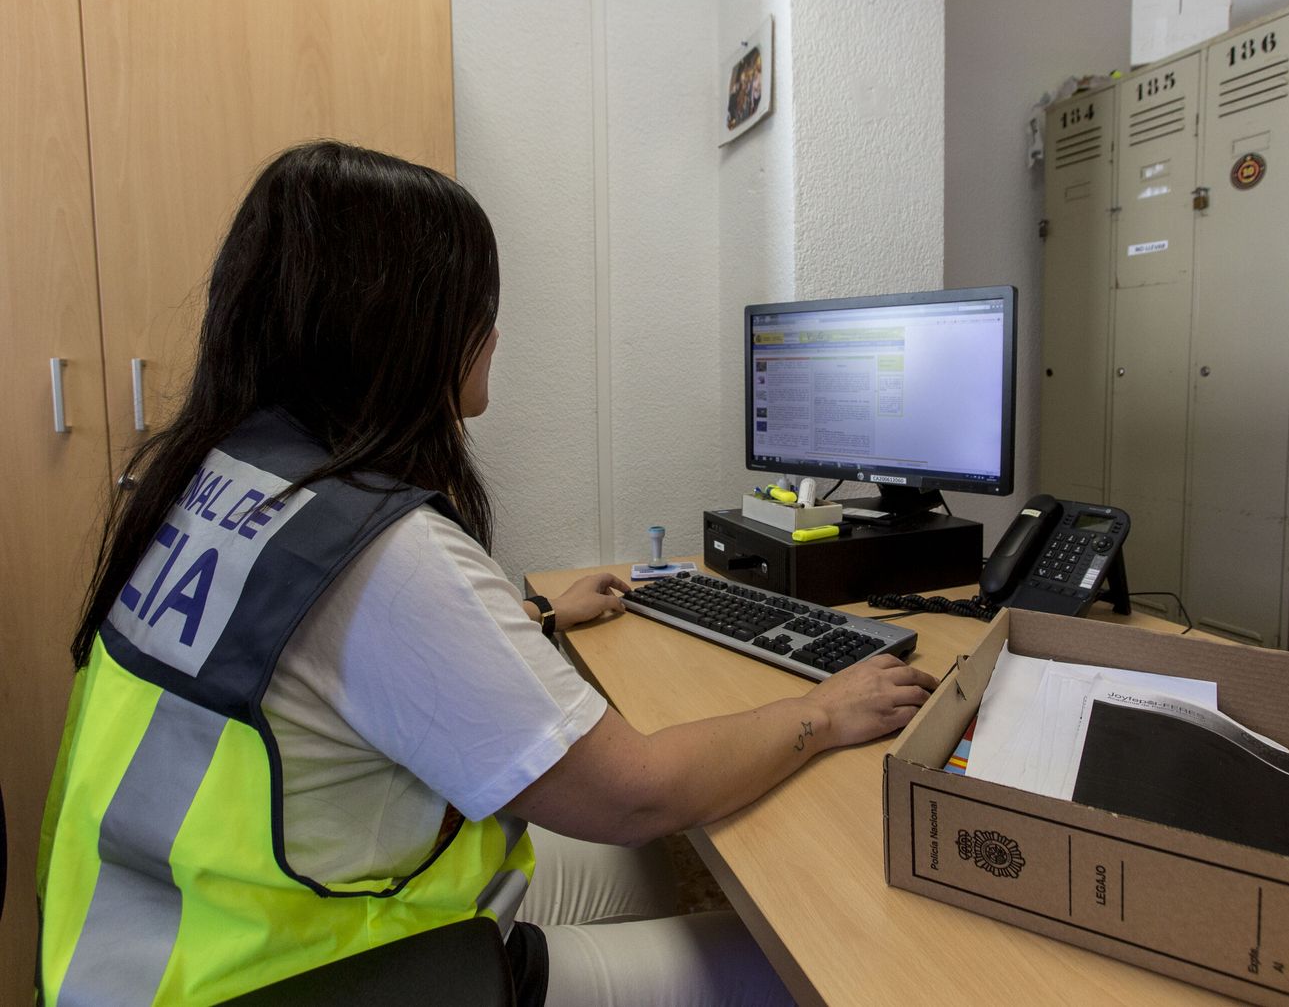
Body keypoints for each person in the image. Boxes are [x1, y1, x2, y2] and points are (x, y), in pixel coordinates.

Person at [36, 141, 937, 1006]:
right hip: (302, 978)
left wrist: (524, 612)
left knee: (641, 866)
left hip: (151, 941)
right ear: (406, 326)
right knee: (791, 963)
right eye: (478, 305)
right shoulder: (387, 556)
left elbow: (316, 656)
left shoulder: (224, 474)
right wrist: (825, 711)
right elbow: (637, 792)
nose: (496, 333)